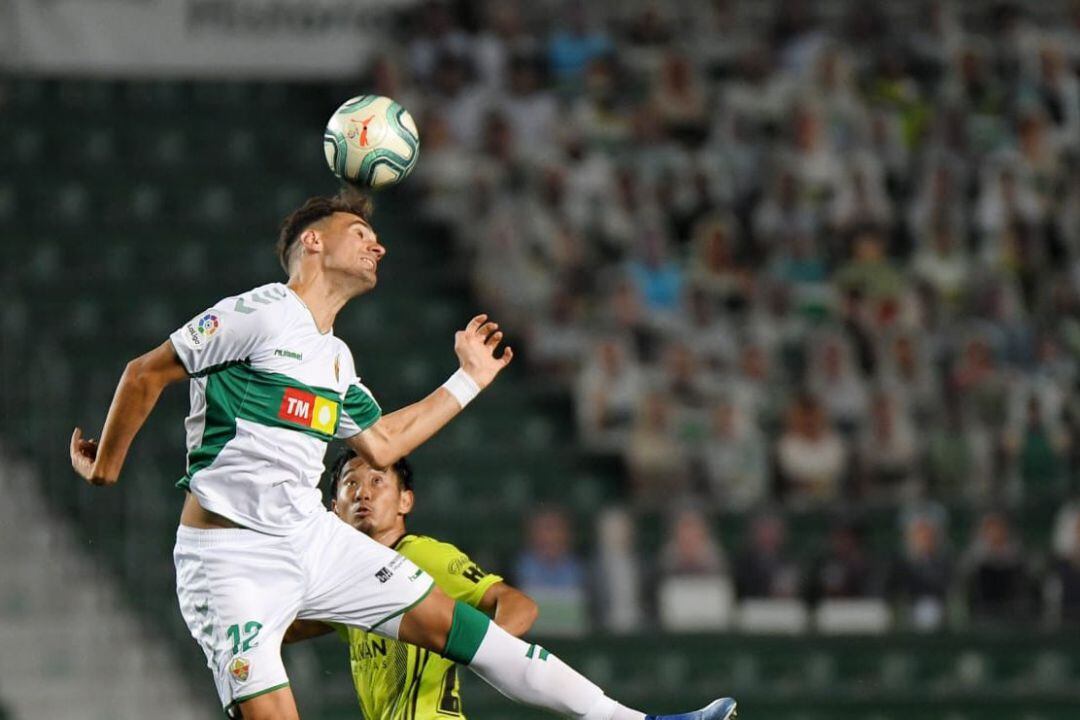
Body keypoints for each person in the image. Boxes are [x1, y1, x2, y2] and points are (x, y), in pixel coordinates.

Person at [69, 189, 736, 720]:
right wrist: (107, 467)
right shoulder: (259, 313)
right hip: (229, 561)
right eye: (360, 234)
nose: (377, 244)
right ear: (314, 242)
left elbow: (383, 442)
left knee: (462, 631)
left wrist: (468, 379)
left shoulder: (334, 357)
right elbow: (143, 374)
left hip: (310, 537)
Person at [285, 451, 538, 719]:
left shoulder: (422, 556)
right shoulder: (346, 582)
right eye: (351, 483)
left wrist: (485, 649)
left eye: (377, 481)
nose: (363, 493)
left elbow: (518, 604)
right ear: (334, 510)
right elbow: (287, 631)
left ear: (404, 501)